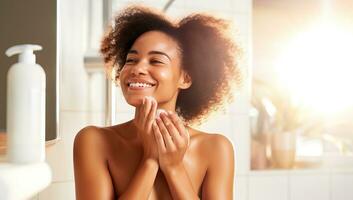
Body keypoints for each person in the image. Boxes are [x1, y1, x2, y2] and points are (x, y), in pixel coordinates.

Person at [73, 5, 242, 200]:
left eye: (156, 61)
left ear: (185, 78)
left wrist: (174, 168)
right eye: (131, 60)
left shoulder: (216, 148)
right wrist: (150, 160)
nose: (138, 68)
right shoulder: (94, 141)